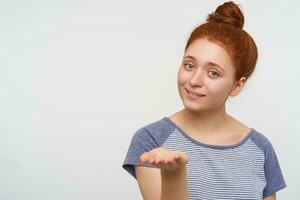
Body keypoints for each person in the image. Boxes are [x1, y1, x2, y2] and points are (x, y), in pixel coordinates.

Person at [122, 1, 287, 200]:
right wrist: (174, 173)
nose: (194, 81)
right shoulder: (152, 139)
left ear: (237, 85)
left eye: (213, 73)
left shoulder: (260, 148)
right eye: (189, 65)